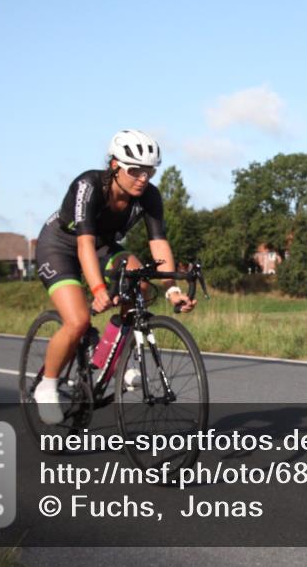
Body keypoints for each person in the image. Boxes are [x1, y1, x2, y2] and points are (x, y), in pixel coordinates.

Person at [32, 129, 196, 424]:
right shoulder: (89, 185)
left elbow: (159, 244)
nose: (143, 178)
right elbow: (83, 244)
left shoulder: (149, 196)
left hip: (102, 246)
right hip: (60, 245)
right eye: (135, 171)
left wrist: (172, 290)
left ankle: (110, 355)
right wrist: (98, 289)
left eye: (149, 171)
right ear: (114, 165)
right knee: (78, 321)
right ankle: (47, 385)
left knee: (140, 283)